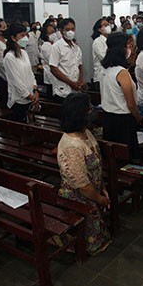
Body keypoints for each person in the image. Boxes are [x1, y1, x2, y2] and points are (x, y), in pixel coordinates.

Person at [56, 93, 112, 256]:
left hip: (91, 190)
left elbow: (95, 166)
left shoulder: (85, 132)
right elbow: (82, 186)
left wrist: (102, 187)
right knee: (94, 239)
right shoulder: (72, 147)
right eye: (89, 109)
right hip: (77, 196)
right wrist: (100, 198)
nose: (92, 111)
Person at [100, 31, 141, 159]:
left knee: (112, 156)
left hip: (108, 118)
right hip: (123, 120)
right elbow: (131, 104)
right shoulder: (121, 72)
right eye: (128, 46)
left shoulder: (105, 69)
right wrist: (138, 118)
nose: (130, 49)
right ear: (121, 49)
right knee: (126, 156)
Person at [2, 24, 38, 123]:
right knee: (22, 125)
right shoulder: (9, 57)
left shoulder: (24, 53)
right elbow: (16, 81)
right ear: (13, 38)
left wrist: (35, 90)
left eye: (26, 35)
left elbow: (31, 74)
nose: (25, 38)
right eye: (22, 36)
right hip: (19, 99)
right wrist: (29, 95)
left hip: (30, 96)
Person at [49, 18, 86, 100]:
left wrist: (81, 80)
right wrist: (71, 83)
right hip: (62, 91)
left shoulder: (76, 48)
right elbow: (53, 68)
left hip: (76, 89)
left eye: (72, 29)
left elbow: (79, 65)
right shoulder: (56, 47)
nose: (70, 32)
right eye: (67, 29)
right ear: (62, 31)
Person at [91, 17, 111, 90]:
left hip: (110, 76)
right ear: (99, 29)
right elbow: (104, 58)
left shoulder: (110, 39)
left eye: (108, 25)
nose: (108, 27)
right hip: (101, 76)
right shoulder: (98, 41)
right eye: (105, 25)